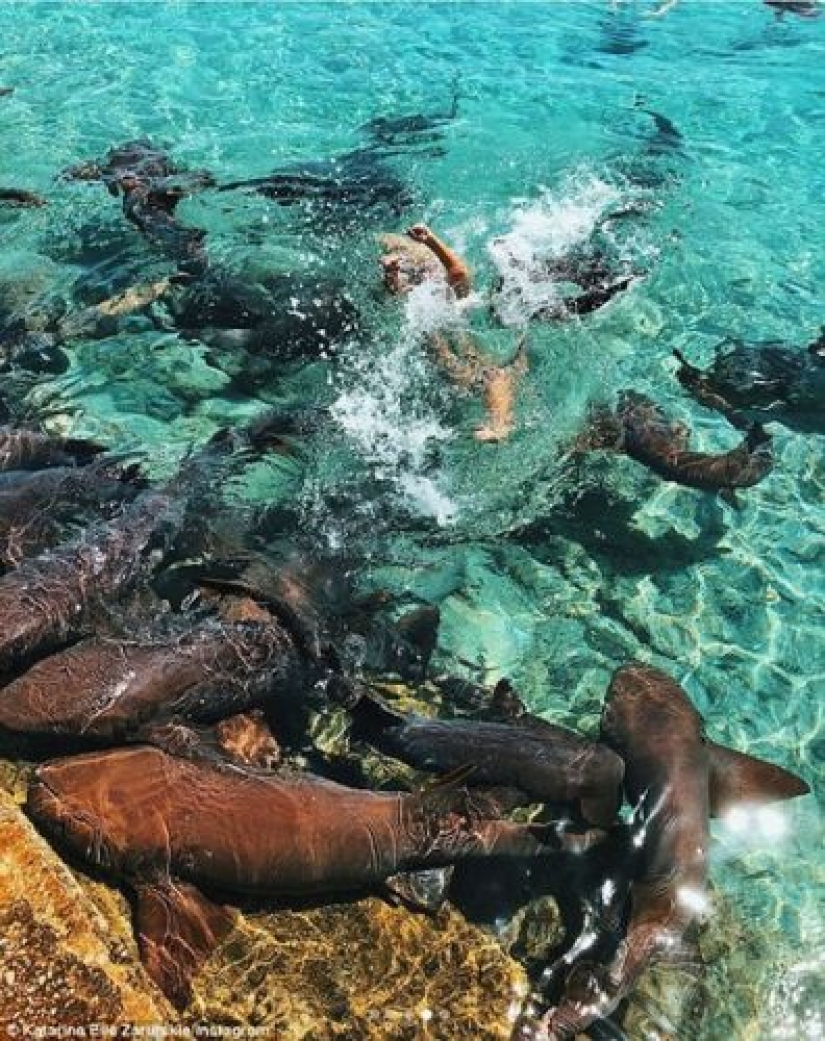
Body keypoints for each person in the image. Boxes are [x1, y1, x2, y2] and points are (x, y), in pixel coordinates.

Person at [379, 222, 527, 443]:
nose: (426, 277)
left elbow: (459, 274)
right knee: (452, 359)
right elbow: (399, 300)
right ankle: (499, 423)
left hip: (464, 339)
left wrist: (430, 240)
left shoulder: (448, 286)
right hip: (442, 343)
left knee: (488, 374)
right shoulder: (418, 295)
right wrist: (391, 274)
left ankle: (500, 425)